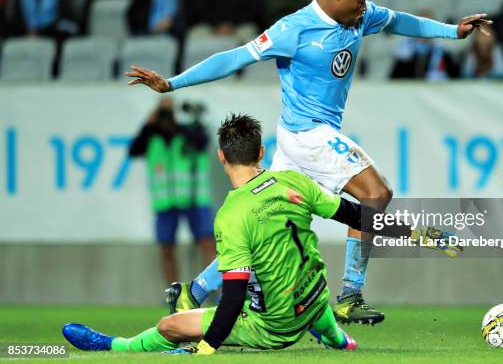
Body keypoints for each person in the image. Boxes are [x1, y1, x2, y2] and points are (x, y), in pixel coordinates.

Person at [125, 0, 486, 325]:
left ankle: (192, 291)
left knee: (270, 223)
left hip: (295, 139)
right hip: (308, 134)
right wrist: (173, 83)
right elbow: (234, 58)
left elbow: (398, 21)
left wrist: (453, 31)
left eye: (367, 3)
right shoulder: (293, 29)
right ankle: (350, 294)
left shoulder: (359, 16)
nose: (365, 10)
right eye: (360, 2)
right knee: (376, 194)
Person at [62, 113, 363, 355]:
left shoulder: (232, 215)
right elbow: (356, 216)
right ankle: (340, 340)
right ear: (261, 152)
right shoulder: (294, 182)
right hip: (313, 300)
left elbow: (232, 298)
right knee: (298, 282)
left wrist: (205, 348)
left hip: (274, 325)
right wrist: (408, 231)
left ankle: (115, 344)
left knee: (170, 325)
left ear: (221, 157)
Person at [128, 97, 215, 285]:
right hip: (165, 203)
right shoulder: (152, 137)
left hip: (194, 199)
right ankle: (173, 294)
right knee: (166, 248)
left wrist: (178, 125)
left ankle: (216, 293)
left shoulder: (188, 133)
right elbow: (133, 150)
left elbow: (203, 141)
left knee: (207, 243)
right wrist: (148, 124)